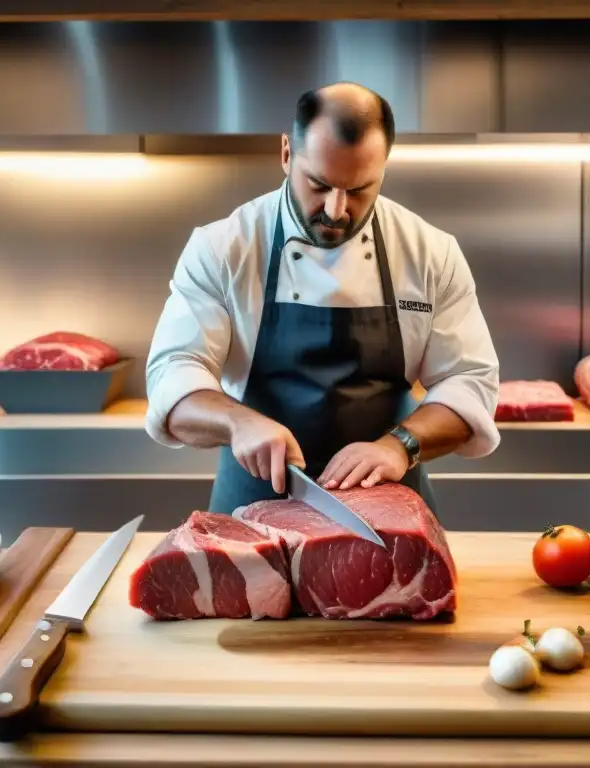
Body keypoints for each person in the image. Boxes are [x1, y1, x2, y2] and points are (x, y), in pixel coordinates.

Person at [144, 81, 500, 514]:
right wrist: (239, 423)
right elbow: (173, 372)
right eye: (319, 184)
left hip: (386, 515)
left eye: (358, 189)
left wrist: (399, 445)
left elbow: (470, 382)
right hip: (254, 508)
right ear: (286, 153)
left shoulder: (430, 253)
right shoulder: (224, 247)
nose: (336, 209)